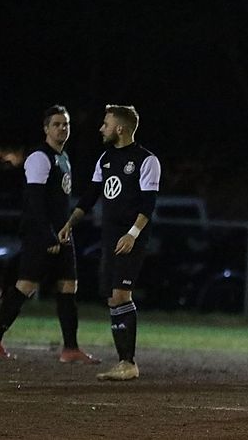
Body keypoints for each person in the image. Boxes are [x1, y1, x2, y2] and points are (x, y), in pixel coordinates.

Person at [0, 105, 100, 365]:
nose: (62, 128)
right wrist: (47, 236)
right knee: (26, 285)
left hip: (62, 234)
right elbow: (34, 203)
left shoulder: (64, 157)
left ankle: (70, 348)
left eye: (65, 124)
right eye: (56, 124)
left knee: (69, 286)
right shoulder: (39, 157)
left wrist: (62, 232)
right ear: (46, 128)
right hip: (41, 234)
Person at [58, 105, 162, 381]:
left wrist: (132, 234)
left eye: (106, 123)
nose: (101, 128)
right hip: (109, 237)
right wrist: (70, 223)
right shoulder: (104, 158)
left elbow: (148, 205)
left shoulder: (146, 160)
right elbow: (90, 196)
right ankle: (124, 362)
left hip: (131, 238)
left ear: (120, 128)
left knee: (120, 295)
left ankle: (128, 363)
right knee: (111, 298)